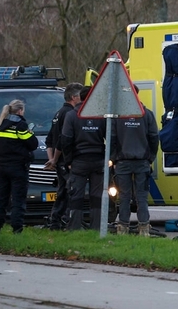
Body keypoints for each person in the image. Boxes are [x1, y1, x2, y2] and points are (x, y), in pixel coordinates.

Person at [61, 87, 107, 230]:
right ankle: (97, 228)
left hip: (79, 160)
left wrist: (68, 160)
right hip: (98, 160)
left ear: (80, 97)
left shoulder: (72, 115)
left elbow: (66, 140)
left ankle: (74, 227)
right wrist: (109, 157)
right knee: (97, 196)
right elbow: (111, 137)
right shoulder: (101, 115)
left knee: (76, 195)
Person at [0, 99, 38, 234]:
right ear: (20, 111)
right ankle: (17, 229)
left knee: (1, 200)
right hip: (18, 168)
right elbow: (33, 144)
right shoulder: (20, 126)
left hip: (1, 168)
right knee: (18, 200)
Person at [110, 101, 159, 236]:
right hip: (142, 162)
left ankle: (123, 227)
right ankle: (144, 227)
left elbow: (112, 138)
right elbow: (154, 138)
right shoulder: (146, 114)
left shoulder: (118, 116)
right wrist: (150, 158)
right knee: (142, 196)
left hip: (122, 162)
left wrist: (114, 158)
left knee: (124, 196)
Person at [44, 82, 85, 230]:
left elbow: (49, 139)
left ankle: (55, 221)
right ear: (74, 97)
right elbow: (63, 140)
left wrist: (52, 159)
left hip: (59, 161)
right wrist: (55, 159)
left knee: (62, 191)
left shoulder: (58, 113)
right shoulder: (70, 114)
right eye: (81, 96)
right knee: (70, 191)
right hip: (66, 160)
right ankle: (67, 221)